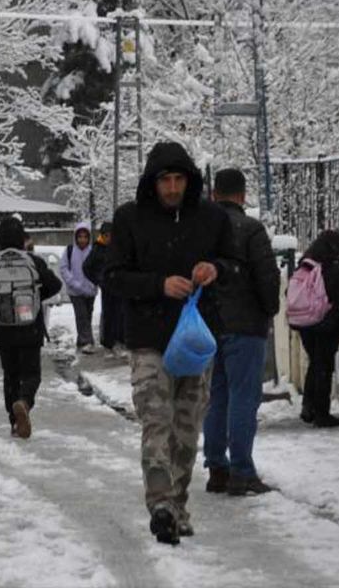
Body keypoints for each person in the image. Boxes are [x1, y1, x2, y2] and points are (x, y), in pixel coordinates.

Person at [104, 141, 231, 545]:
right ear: (153, 182)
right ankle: (160, 504)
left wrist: (215, 268)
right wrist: (158, 285)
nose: (172, 188)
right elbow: (112, 275)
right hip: (148, 339)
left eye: (179, 179)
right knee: (156, 419)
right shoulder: (129, 219)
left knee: (187, 427)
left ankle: (177, 504)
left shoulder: (211, 218)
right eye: (165, 180)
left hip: (195, 339)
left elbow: (234, 264)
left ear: (189, 180)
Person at [203, 169, 281, 496]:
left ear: (214, 194)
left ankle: (216, 467)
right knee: (243, 398)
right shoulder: (250, 229)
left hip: (209, 326)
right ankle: (242, 471)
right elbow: (267, 277)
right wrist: (270, 309)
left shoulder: (201, 229)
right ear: (242, 195)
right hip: (245, 325)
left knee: (217, 396)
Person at [0, 217, 61, 438]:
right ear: (22, 237)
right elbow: (56, 285)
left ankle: (14, 421)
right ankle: (24, 401)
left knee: (10, 374)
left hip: (3, 328)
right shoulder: (33, 261)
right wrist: (33, 296)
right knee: (32, 373)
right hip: (30, 327)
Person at [289, 229, 339, 428]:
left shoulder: (305, 265)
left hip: (304, 323)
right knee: (324, 367)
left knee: (315, 363)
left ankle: (308, 406)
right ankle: (322, 414)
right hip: (327, 325)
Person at [83, 221, 125, 355]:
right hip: (107, 288)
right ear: (103, 236)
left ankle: (120, 340)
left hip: (119, 286)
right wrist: (98, 280)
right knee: (109, 315)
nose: (109, 238)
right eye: (107, 235)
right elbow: (86, 267)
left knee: (121, 314)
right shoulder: (97, 249)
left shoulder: (118, 248)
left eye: (111, 235)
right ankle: (109, 342)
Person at [60, 222, 99, 354]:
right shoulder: (70, 250)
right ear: (75, 237)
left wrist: (95, 283)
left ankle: (81, 339)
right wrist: (73, 282)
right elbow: (63, 268)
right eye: (80, 236)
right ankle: (88, 341)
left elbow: (98, 268)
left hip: (90, 290)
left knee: (87, 315)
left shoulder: (93, 251)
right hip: (75, 291)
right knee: (81, 315)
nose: (82, 239)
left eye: (85, 236)